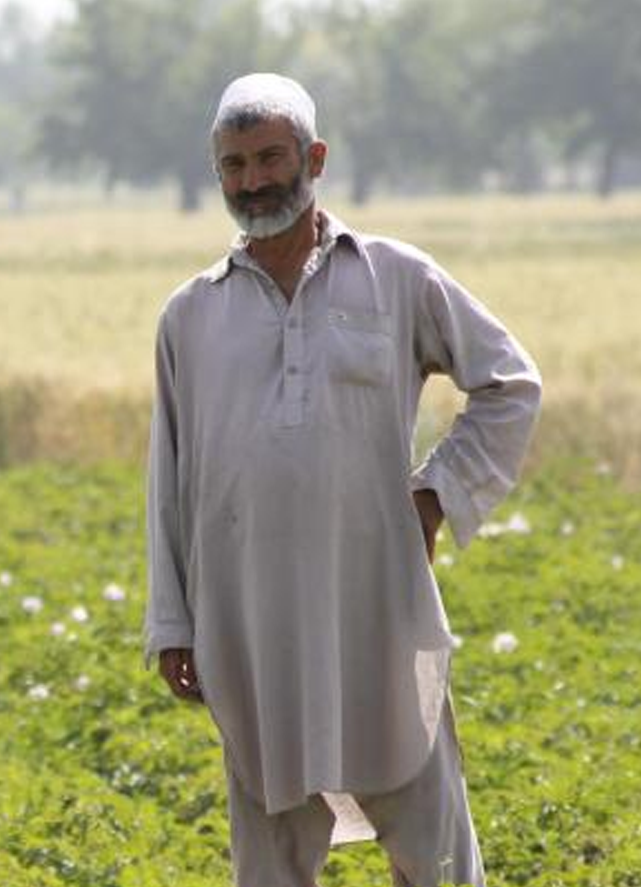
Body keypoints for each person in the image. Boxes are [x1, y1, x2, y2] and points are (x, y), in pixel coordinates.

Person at [143, 73, 541, 887]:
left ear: (314, 157)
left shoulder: (394, 277)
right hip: (251, 620)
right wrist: (172, 623)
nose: (253, 181)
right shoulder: (190, 315)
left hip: (376, 605)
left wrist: (437, 494)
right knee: (270, 848)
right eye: (233, 165)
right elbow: (169, 480)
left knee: (433, 849)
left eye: (269, 158)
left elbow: (510, 385)